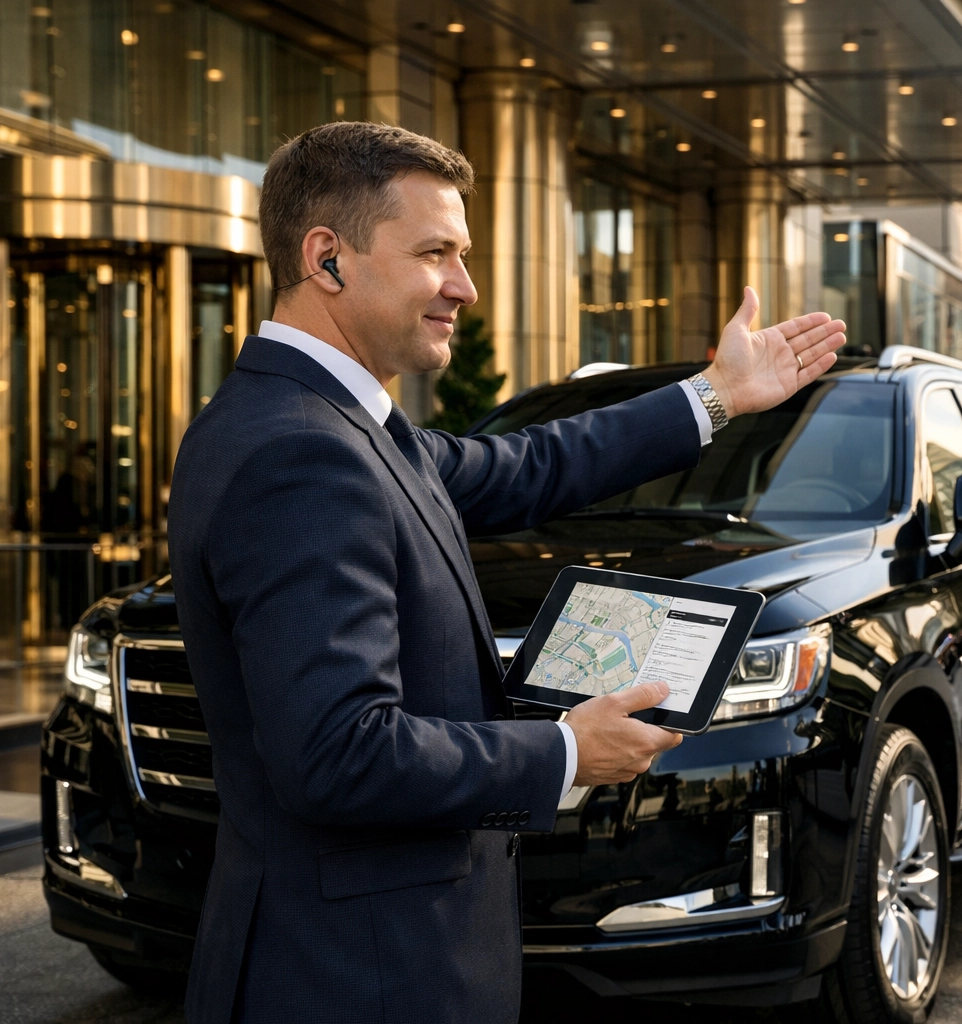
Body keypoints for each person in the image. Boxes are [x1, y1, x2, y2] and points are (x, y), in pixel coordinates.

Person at [166, 121, 845, 1023]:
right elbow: (337, 754)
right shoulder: (302, 452)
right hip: (360, 979)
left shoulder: (330, 424)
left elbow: (532, 466)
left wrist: (717, 394)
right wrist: (565, 751)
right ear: (326, 258)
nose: (465, 286)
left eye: (464, 255)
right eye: (435, 253)